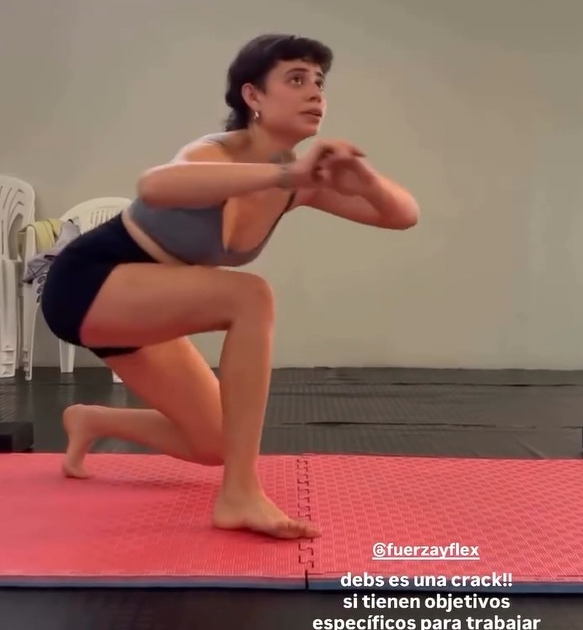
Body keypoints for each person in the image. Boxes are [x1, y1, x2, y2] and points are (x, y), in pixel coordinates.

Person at [40, 34, 419, 539]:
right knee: (250, 296)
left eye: (319, 82)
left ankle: (92, 421)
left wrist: (365, 180)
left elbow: (402, 216)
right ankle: (240, 493)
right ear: (253, 96)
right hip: (87, 283)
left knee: (216, 442)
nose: (315, 93)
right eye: (296, 79)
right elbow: (153, 186)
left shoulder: (298, 180)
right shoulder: (215, 152)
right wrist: (285, 177)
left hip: (142, 305)